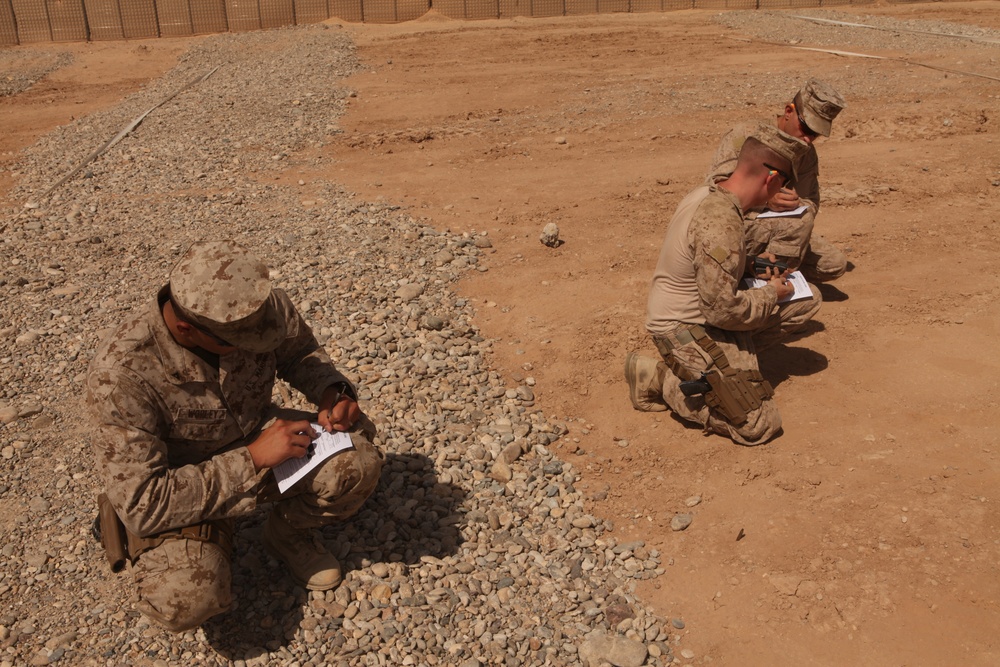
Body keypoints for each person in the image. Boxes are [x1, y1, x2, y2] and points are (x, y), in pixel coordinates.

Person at [87, 240, 383, 632]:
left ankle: (287, 535)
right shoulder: (121, 376)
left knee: (357, 459)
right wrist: (254, 459)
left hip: (254, 435)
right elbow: (144, 503)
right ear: (186, 329)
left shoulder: (256, 309)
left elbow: (299, 351)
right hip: (178, 481)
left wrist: (332, 389)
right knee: (184, 601)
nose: (256, 343)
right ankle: (193, 538)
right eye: (239, 343)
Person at [625, 126, 820, 445]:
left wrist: (757, 264)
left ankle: (729, 370)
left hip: (707, 312)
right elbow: (722, 311)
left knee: (803, 301)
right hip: (684, 328)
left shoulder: (713, 194)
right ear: (771, 179)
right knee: (759, 425)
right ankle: (659, 378)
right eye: (782, 184)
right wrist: (771, 293)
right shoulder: (720, 222)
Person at [706, 78, 847, 284]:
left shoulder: (806, 154)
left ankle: (758, 269)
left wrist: (797, 202)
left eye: (815, 134)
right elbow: (714, 188)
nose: (808, 138)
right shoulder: (748, 135)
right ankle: (759, 279)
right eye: (806, 128)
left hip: (779, 229)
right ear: (789, 112)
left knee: (832, 263)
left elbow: (810, 203)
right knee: (800, 224)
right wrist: (764, 200)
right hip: (736, 224)